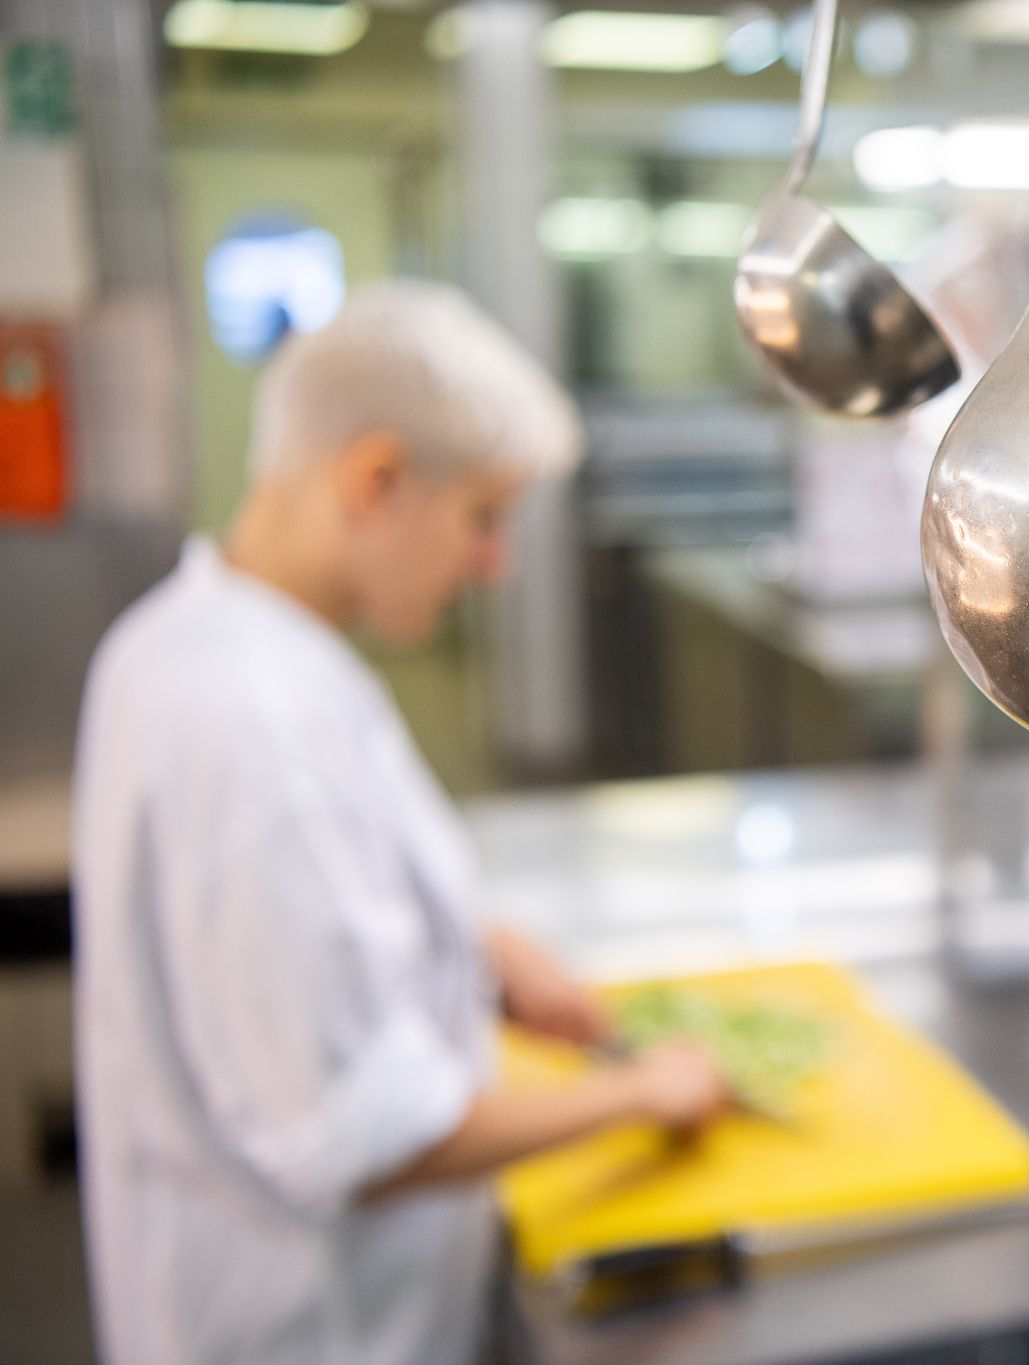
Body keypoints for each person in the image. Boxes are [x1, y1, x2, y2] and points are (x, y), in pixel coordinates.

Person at [71, 281, 725, 1365]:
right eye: (483, 517)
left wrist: (479, 951)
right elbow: (364, 1136)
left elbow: (291, 928)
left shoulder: (188, 638)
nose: (493, 564)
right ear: (375, 480)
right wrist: (639, 1092)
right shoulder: (252, 725)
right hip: (310, 1327)